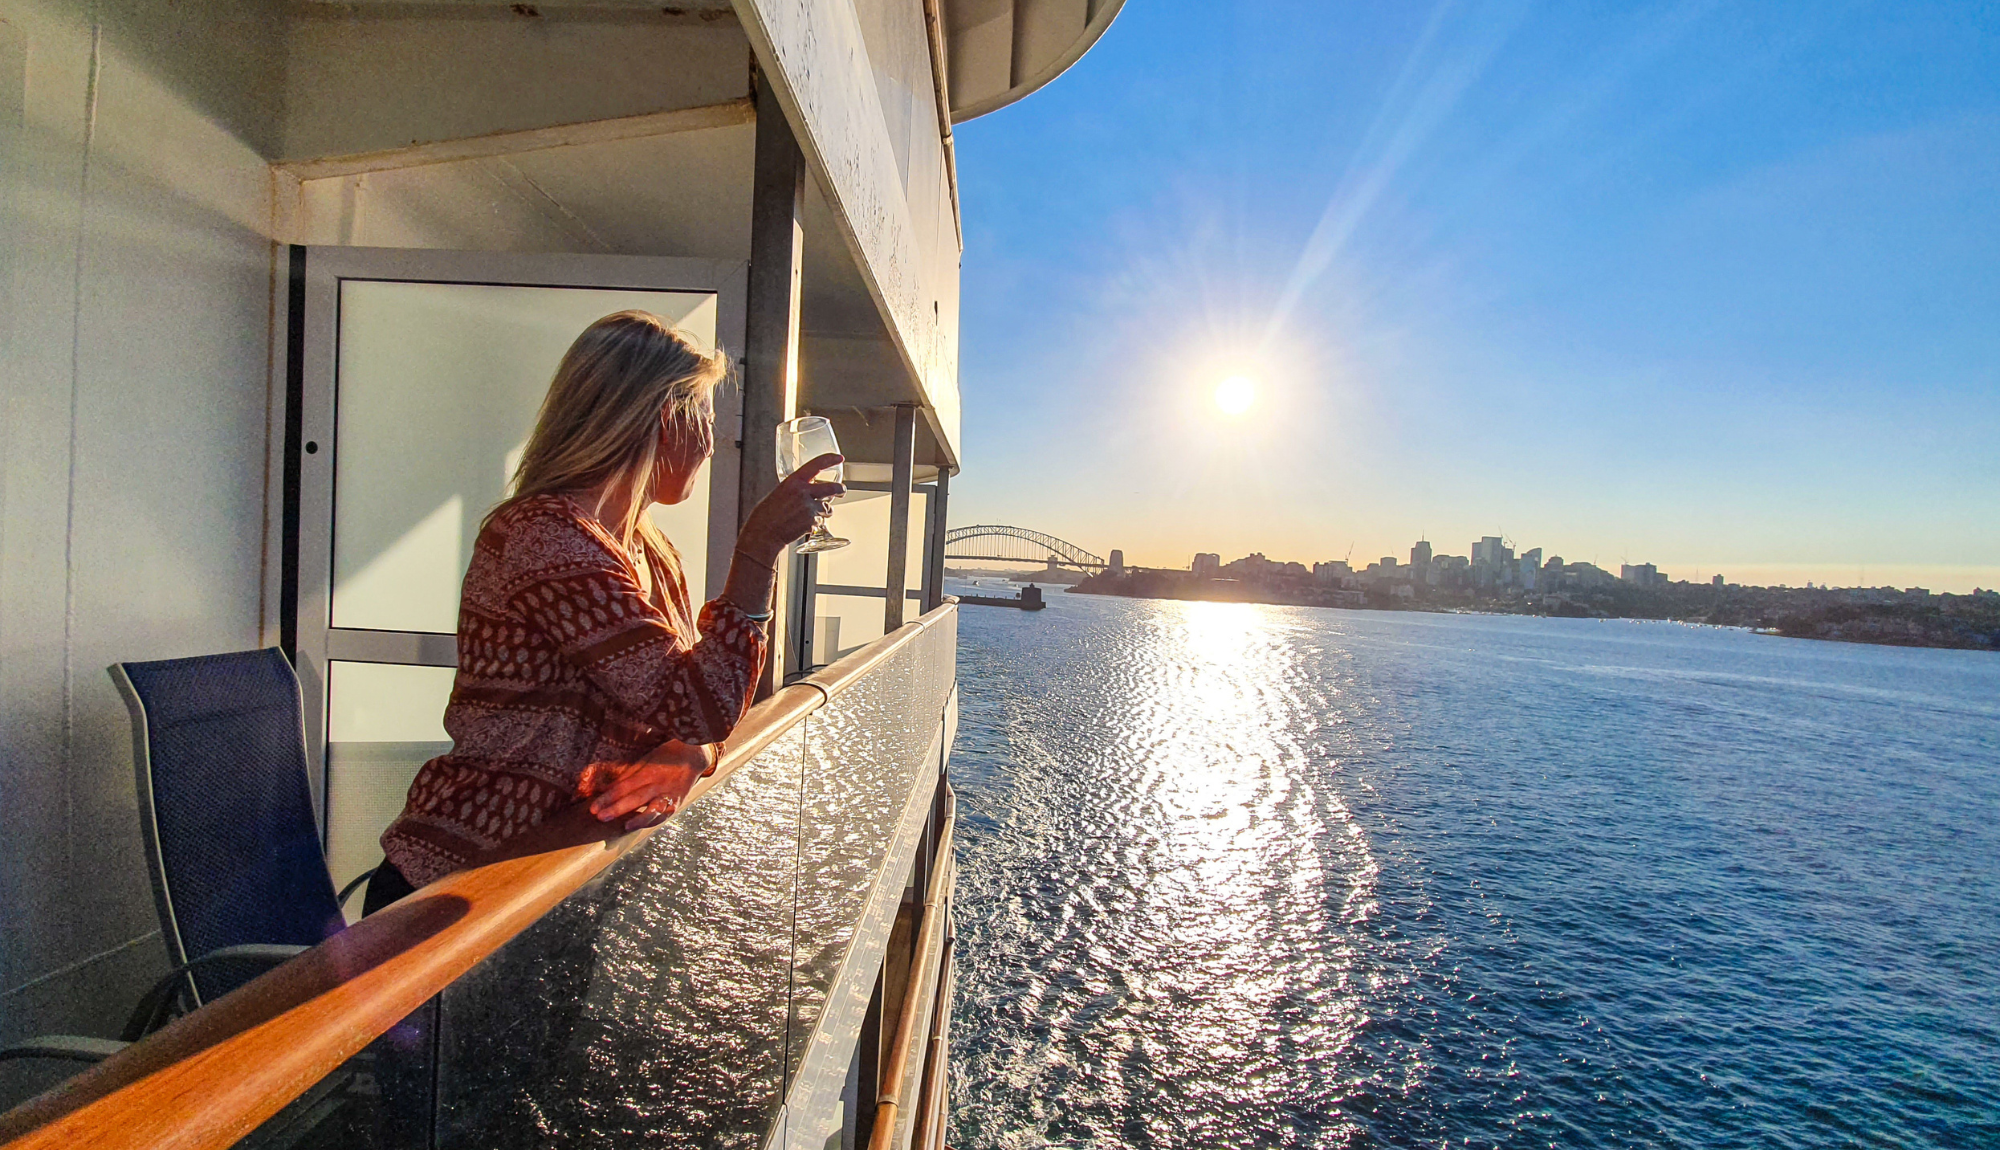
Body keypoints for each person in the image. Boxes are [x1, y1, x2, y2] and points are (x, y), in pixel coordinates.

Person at [362, 311, 840, 915]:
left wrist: (694, 754)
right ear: (668, 420)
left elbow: (693, 709)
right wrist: (757, 551)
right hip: (459, 887)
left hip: (553, 876)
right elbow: (700, 703)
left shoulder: (649, 548)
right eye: (707, 422)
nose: (714, 445)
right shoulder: (545, 537)